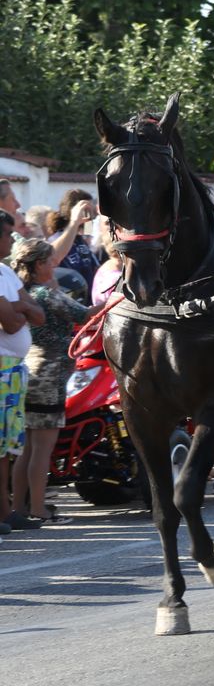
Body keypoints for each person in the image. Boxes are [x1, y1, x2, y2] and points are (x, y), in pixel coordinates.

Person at [10, 239, 101, 526]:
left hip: (32, 370)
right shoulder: (47, 295)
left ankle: (20, 508)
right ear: (38, 265)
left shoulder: (27, 293)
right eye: (50, 261)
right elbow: (86, 314)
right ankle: (40, 510)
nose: (56, 265)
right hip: (50, 376)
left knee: (26, 449)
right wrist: (118, 298)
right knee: (42, 449)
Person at [0, 211, 45, 533]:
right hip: (2, 370)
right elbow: (13, 322)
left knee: (10, 446)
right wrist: (21, 308)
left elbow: (37, 314)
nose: (10, 239)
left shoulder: (5, 271)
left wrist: (19, 307)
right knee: (2, 446)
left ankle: (9, 510)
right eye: (7, 234)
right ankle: (4, 512)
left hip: (14, 370)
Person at [47, 190, 100, 289]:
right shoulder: (57, 238)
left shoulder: (81, 239)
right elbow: (53, 257)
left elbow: (88, 236)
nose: (92, 213)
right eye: (87, 209)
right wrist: (74, 221)